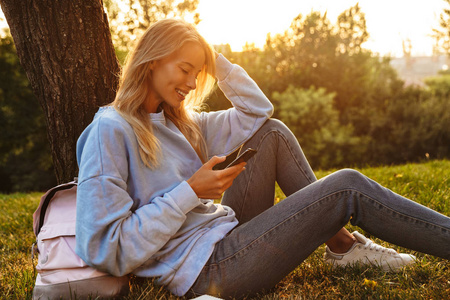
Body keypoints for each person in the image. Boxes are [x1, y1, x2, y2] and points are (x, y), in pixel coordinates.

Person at [75, 18, 450, 299]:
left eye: (198, 73)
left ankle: (343, 247)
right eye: (184, 70)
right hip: (206, 270)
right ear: (152, 60)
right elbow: (105, 248)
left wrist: (210, 56)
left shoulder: (183, 123)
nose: (192, 84)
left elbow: (258, 111)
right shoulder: (112, 130)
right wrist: (190, 191)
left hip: (224, 237)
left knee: (271, 132)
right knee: (347, 185)